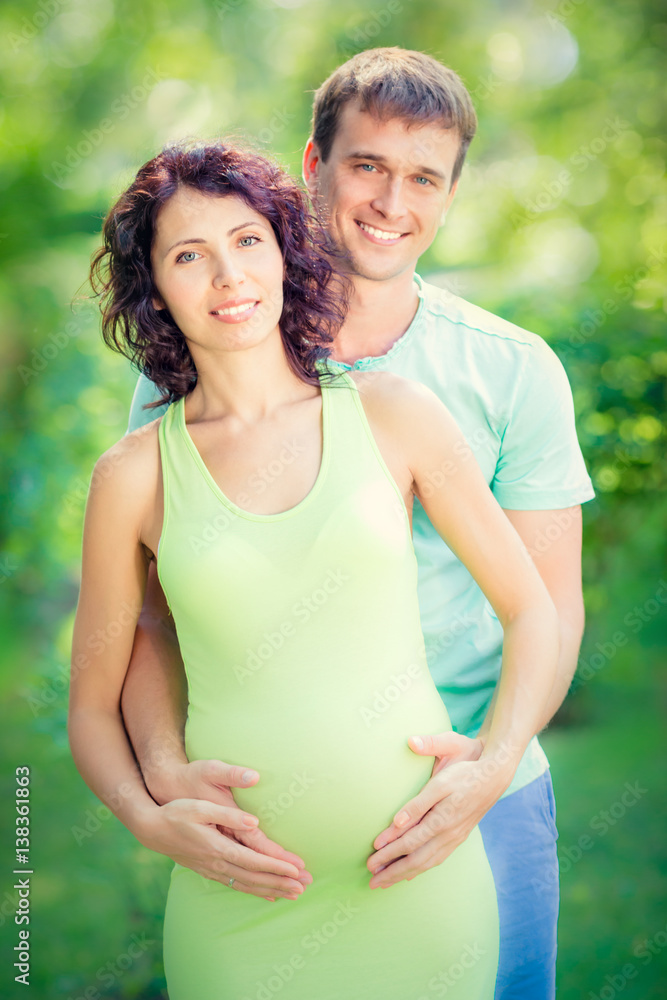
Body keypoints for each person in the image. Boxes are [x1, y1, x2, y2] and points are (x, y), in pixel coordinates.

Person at [119, 49, 594, 999]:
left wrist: (488, 768)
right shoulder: (194, 366)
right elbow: (151, 613)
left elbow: (547, 608)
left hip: (477, 788)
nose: (390, 202)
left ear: (450, 196)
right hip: (270, 817)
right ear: (314, 164)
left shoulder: (513, 371)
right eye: (367, 166)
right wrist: (166, 778)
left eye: (423, 177)